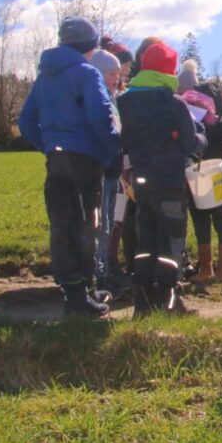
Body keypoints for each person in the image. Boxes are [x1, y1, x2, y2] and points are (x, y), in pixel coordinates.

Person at [19, 16, 121, 316]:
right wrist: (110, 152)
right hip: (85, 160)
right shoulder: (87, 73)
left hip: (57, 159)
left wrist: (48, 145)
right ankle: (80, 298)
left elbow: (26, 122)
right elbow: (102, 118)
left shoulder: (44, 76)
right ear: (91, 47)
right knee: (86, 225)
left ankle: (76, 290)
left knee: (62, 224)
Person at [119, 41, 206, 316]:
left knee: (145, 239)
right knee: (171, 240)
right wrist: (202, 135)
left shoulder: (124, 102)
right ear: (170, 71)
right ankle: (170, 301)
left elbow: (122, 139)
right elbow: (190, 144)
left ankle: (142, 302)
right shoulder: (174, 104)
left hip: (141, 180)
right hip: (169, 181)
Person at [177, 60, 222, 284]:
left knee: (218, 219)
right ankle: (207, 268)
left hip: (215, 178)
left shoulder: (221, 125)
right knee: (201, 219)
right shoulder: (192, 124)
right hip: (196, 177)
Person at [90, 49, 131, 299]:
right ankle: (100, 275)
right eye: (111, 73)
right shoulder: (98, 98)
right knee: (102, 225)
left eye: (118, 72)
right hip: (103, 170)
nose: (117, 77)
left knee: (112, 222)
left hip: (114, 170)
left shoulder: (112, 96)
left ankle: (105, 270)